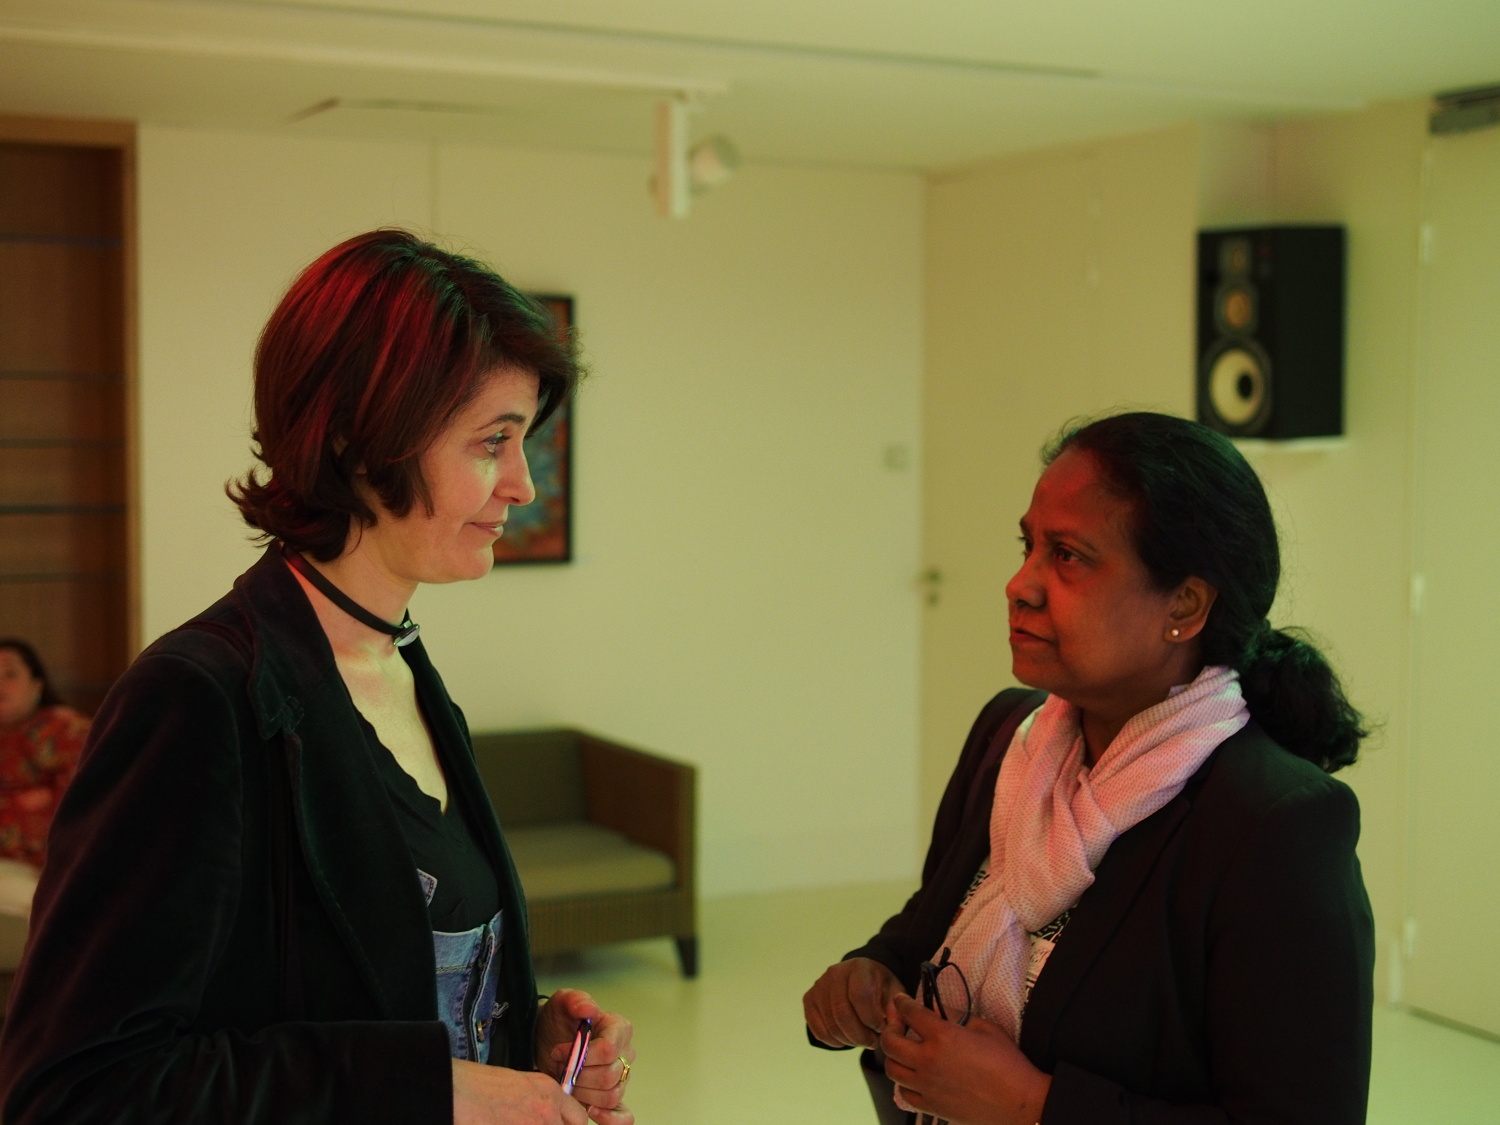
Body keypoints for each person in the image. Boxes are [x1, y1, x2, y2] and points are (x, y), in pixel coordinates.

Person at [0, 230, 636, 1124]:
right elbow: (74, 1089)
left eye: (522, 440)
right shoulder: (197, 697)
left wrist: (511, 1030)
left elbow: (358, 985)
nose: (523, 485)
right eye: (493, 441)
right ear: (359, 441)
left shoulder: (403, 664)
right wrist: (430, 1086)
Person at [804, 411, 1374, 1124]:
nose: (1020, 584)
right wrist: (871, 970)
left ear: (1185, 604)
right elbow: (930, 924)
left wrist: (1031, 1106)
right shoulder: (1008, 737)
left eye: (1069, 555)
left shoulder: (1274, 822)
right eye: (1029, 546)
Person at [0, 639, 90, 917]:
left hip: (48, 872)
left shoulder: (65, 731)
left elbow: (79, 813)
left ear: (37, 685)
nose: (0, 684)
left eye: (10, 674)